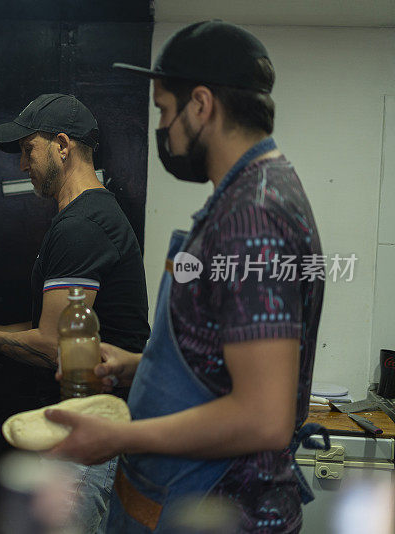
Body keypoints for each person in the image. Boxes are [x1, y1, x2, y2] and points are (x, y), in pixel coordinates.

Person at [44, 20, 328, 533]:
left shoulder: (253, 215)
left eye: (163, 110)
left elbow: (263, 416)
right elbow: (220, 363)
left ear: (201, 105)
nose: (163, 128)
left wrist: (118, 437)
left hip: (219, 510)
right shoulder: (249, 195)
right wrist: (137, 367)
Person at [0, 93, 150, 533]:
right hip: (86, 429)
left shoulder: (82, 226)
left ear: (63, 145)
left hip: (91, 438)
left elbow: (54, 347)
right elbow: (53, 329)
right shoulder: (85, 217)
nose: (22, 165)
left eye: (29, 149)